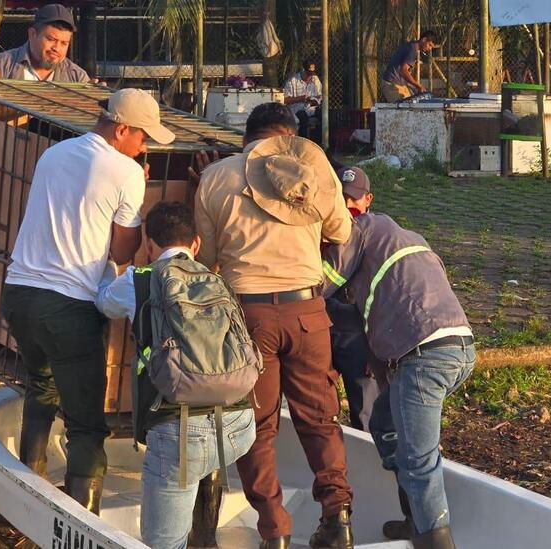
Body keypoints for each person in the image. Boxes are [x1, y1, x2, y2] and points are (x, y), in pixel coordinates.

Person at [0, 88, 175, 514]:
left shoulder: (53, 154)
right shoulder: (127, 172)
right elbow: (120, 252)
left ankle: (28, 495)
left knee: (41, 387)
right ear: (121, 130)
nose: (145, 145)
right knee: (86, 425)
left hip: (19, 294)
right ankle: (84, 523)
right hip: (68, 307)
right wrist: (140, 187)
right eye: (143, 136)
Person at [194, 102, 355, 549]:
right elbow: (341, 232)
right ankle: (337, 517)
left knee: (257, 426)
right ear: (290, 137)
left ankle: (274, 529)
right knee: (320, 420)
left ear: (246, 138)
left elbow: (205, 260)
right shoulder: (313, 171)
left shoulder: (217, 177)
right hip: (308, 313)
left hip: (249, 317)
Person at [96, 201, 256, 549]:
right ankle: (206, 537)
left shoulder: (138, 281)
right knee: (203, 465)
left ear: (148, 245)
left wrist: (111, 265)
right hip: (240, 425)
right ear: (196, 244)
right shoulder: (216, 279)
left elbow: (104, 303)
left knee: (163, 542)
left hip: (180, 432)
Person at [322, 212, 475, 549]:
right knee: (384, 421)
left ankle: (433, 540)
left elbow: (320, 283)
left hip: (423, 356)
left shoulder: (359, 230)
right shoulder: (409, 242)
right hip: (460, 346)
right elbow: (374, 326)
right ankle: (414, 518)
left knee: (418, 461)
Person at [327, 167, 379, 431]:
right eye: (342, 197)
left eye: (354, 198)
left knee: (366, 418)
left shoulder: (380, 237)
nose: (347, 204)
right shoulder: (322, 231)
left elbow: (386, 300)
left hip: (361, 334)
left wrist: (377, 349)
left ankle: (369, 470)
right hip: (324, 328)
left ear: (368, 199)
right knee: (319, 413)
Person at [0, 4, 93, 83]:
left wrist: (98, 101)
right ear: (32, 34)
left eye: (64, 43)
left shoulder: (77, 77)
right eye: (51, 39)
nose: (57, 48)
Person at [381, 30, 438, 102]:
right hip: (391, 84)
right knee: (404, 108)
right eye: (429, 45)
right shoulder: (413, 49)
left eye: (431, 47)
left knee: (412, 104)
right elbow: (403, 70)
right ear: (424, 39)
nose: (429, 49)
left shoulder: (412, 46)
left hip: (400, 84)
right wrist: (418, 85)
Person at [283, 60, 323, 142]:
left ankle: (319, 145)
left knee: (323, 115)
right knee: (302, 117)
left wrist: (314, 100)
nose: (310, 76)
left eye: (312, 73)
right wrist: (301, 98)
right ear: (303, 70)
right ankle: (303, 144)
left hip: (311, 108)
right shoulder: (292, 81)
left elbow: (319, 96)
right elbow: (285, 100)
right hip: (296, 110)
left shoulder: (315, 79)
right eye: (308, 73)